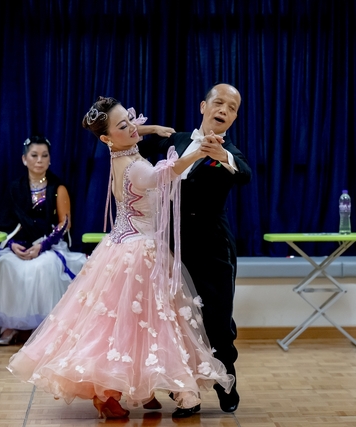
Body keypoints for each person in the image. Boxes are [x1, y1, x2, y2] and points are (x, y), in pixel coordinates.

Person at [6, 97, 234, 419]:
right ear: (107, 138)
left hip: (122, 245)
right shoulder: (136, 167)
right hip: (139, 250)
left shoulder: (120, 154)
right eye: (124, 126)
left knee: (131, 323)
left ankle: (139, 386)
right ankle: (132, 391)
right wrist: (199, 153)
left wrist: (151, 128)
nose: (132, 128)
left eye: (130, 120)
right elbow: (167, 173)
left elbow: (133, 132)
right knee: (148, 323)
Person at [137, 83, 251, 413]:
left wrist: (223, 156)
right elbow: (125, 136)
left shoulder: (230, 152)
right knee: (175, 320)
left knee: (217, 320)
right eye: (219, 103)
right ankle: (185, 392)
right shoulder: (177, 140)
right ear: (204, 106)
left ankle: (226, 380)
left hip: (213, 246)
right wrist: (153, 129)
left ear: (234, 117)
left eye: (231, 108)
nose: (224, 110)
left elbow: (244, 174)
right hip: (171, 245)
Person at [0, 135, 87, 345]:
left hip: (49, 246)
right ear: (24, 159)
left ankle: (43, 330)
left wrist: (42, 246)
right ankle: (9, 327)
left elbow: (65, 224)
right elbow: (4, 223)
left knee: (44, 266)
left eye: (44, 156)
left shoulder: (58, 188)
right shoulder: (14, 188)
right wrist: (12, 245)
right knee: (4, 264)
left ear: (50, 159)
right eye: (34, 155)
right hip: (20, 246)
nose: (39, 160)